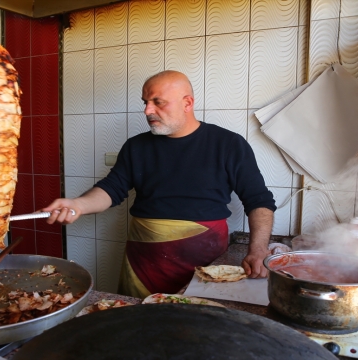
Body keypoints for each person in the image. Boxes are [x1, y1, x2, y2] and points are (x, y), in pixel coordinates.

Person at [41, 70, 276, 298]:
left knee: (197, 326)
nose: (147, 111)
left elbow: (259, 201)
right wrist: (78, 204)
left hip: (207, 259)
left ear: (187, 103)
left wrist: (257, 250)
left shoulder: (228, 144)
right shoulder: (136, 147)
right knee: (140, 324)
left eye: (158, 102)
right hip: (144, 261)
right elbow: (111, 189)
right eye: (145, 102)